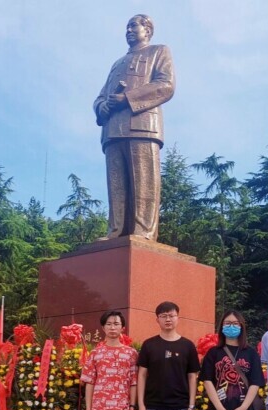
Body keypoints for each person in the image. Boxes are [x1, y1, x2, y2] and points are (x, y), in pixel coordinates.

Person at [93, 14, 175, 241]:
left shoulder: (159, 51)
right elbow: (100, 96)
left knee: (144, 181)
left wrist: (128, 98)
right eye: (127, 27)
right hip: (112, 131)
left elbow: (166, 85)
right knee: (116, 184)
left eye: (133, 26)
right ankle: (116, 230)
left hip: (143, 125)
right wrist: (102, 107)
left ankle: (143, 231)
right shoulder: (117, 64)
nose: (128, 30)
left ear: (147, 30)